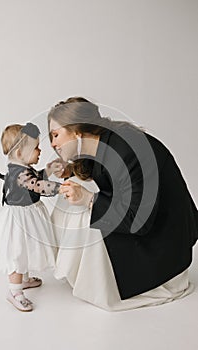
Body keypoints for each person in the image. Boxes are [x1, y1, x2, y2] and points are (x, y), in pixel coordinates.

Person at [48, 97, 198, 311]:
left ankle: (102, 281)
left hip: (162, 242)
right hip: (151, 225)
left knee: (83, 210)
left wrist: (89, 199)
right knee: (74, 205)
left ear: (77, 131)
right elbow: (109, 173)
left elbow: (139, 221)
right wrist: (70, 170)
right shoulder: (105, 141)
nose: (53, 143)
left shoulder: (128, 150)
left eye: (56, 135)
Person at [0, 122, 62, 312]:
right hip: (19, 220)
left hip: (29, 215)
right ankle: (14, 292)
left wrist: (49, 170)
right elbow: (36, 185)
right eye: (36, 147)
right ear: (20, 153)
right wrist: (59, 188)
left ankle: (25, 279)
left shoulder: (21, 168)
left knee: (27, 246)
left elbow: (35, 177)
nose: (39, 151)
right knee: (17, 251)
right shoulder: (19, 174)